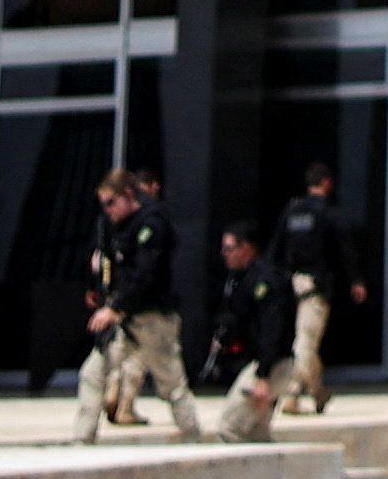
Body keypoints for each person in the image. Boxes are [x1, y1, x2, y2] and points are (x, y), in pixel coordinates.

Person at [68, 167, 195, 444]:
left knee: (172, 387)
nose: (107, 210)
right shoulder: (115, 227)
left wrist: (115, 308)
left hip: (153, 320)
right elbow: (108, 264)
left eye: (111, 203)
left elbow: (145, 274)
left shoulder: (152, 223)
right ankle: (82, 439)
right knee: (93, 373)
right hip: (127, 321)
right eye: (103, 204)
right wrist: (100, 292)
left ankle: (193, 437)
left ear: (128, 195)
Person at [269, 158, 363, 416]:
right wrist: (355, 281)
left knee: (302, 343)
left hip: (289, 287)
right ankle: (294, 393)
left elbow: (276, 250)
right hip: (314, 287)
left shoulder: (292, 211)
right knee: (305, 344)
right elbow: (345, 251)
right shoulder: (328, 213)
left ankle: (315, 390)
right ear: (327, 184)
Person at [189, 227, 291, 437]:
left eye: (228, 248)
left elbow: (271, 330)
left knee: (230, 428)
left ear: (246, 249)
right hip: (264, 363)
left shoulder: (265, 280)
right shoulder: (240, 279)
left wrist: (263, 377)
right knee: (256, 433)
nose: (224, 254)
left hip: (272, 365)